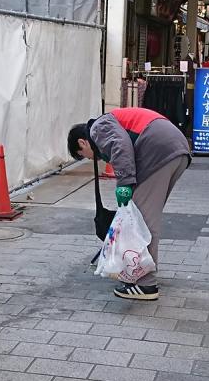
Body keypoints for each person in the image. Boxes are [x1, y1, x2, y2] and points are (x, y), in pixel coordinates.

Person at [67, 108, 191, 300]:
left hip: (158, 150)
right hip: (175, 149)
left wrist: (124, 183)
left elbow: (121, 146)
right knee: (144, 215)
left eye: (84, 154)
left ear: (82, 142)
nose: (91, 158)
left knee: (143, 221)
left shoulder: (98, 127)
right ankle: (139, 271)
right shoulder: (110, 122)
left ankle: (145, 284)